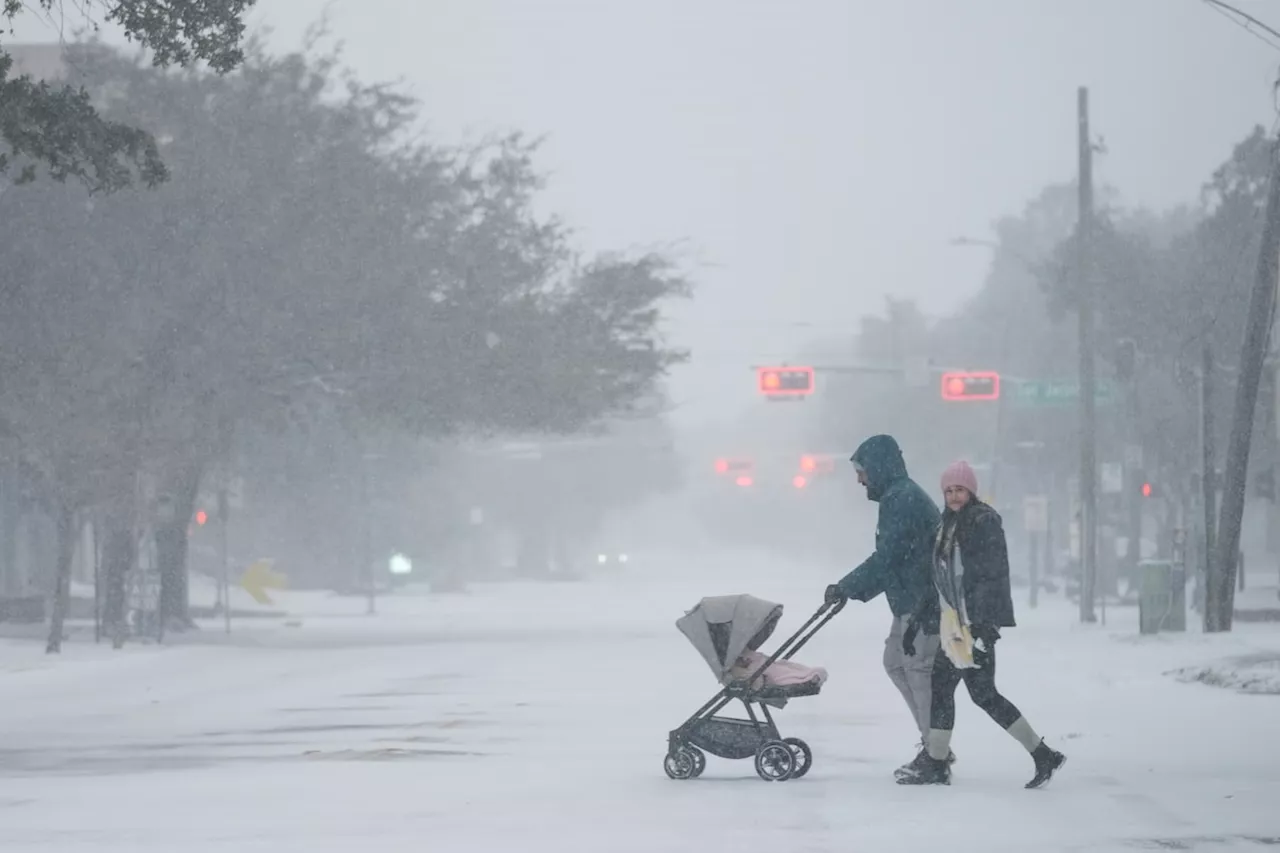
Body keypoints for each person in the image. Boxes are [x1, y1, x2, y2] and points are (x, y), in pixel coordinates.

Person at [896, 460, 1067, 789]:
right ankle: (1038, 754)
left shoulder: (982, 522)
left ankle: (938, 762)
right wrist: (917, 623)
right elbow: (940, 580)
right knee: (961, 691)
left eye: (960, 489)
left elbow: (991, 576)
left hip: (974, 625)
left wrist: (987, 627)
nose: (954, 496)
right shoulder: (948, 526)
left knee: (973, 692)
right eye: (948, 491)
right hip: (956, 627)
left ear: (971, 491)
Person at [823, 434, 949, 778]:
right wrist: (849, 589)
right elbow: (892, 560)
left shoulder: (902, 500)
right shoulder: (898, 497)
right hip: (911, 599)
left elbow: (888, 558)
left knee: (918, 670)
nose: (859, 478)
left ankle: (935, 755)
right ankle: (933, 746)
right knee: (895, 662)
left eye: (862, 470)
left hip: (923, 602)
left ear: (878, 467)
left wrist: (846, 587)